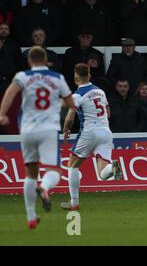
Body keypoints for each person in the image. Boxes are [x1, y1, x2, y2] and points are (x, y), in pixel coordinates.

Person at [0, 47, 74, 229]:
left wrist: (2, 114)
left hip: (27, 129)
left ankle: (31, 217)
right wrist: (60, 100)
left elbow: (10, 92)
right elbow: (70, 103)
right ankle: (45, 188)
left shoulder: (23, 76)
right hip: (48, 129)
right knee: (54, 172)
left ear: (29, 61)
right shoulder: (57, 78)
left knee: (30, 173)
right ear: (46, 59)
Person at [60, 63, 122, 211]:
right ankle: (112, 168)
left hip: (89, 132)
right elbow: (108, 112)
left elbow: (70, 117)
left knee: (72, 166)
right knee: (102, 173)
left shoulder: (77, 95)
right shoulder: (100, 92)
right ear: (89, 76)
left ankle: (74, 203)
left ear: (75, 78)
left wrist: (66, 130)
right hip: (106, 132)